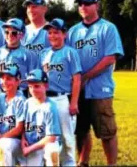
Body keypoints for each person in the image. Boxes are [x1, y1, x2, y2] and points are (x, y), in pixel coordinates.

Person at [66, 0, 124, 166]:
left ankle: (111, 164)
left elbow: (110, 57)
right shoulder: (73, 32)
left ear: (96, 5)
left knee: (107, 131)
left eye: (87, 3)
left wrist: (85, 76)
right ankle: (83, 162)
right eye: (80, 4)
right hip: (79, 90)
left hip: (100, 89)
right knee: (81, 130)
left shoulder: (108, 28)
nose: (83, 6)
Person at [41, 18, 82, 166]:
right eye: (50, 33)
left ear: (64, 34)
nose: (52, 36)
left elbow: (77, 79)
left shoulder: (70, 52)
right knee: (49, 135)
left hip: (62, 98)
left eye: (56, 32)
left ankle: (69, 163)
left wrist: (74, 102)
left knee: (67, 138)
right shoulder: (44, 53)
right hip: (46, 100)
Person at [21, 69, 62, 166]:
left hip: (47, 143)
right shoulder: (27, 103)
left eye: (37, 86)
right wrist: (23, 139)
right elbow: (22, 126)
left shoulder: (50, 107)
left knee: (52, 151)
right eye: (30, 87)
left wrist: (29, 149)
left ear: (46, 86)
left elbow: (51, 138)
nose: (33, 90)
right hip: (33, 144)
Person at [0, 18, 39, 97]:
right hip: (1, 93)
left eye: (14, 33)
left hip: (20, 93)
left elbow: (33, 79)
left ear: (22, 35)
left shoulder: (28, 54)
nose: (10, 35)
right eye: (6, 32)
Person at [0, 66, 26, 166]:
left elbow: (19, 129)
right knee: (4, 145)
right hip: (2, 140)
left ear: (18, 81)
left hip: (18, 142)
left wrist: (0, 138)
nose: (4, 82)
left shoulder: (21, 100)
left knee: (4, 145)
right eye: (3, 78)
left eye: (9, 79)